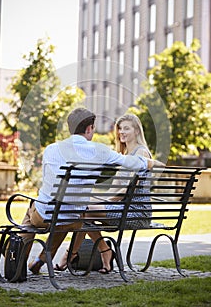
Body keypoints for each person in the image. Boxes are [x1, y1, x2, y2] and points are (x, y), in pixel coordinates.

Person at [23, 108, 164, 275]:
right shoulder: (102, 151)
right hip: (72, 216)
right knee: (75, 216)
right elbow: (136, 165)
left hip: (57, 213)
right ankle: (45, 259)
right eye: (120, 128)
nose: (121, 132)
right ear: (89, 128)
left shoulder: (51, 149)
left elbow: (47, 183)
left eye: (127, 128)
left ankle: (17, 260)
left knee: (34, 213)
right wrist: (155, 163)